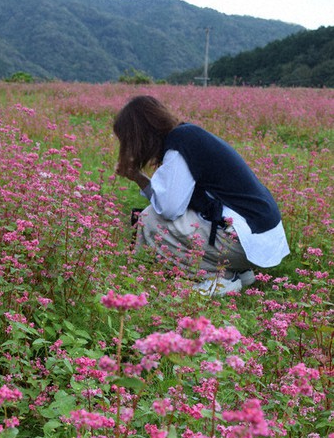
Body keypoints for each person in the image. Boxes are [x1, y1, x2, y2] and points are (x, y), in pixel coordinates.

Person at [113, 95, 290, 296]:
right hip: (259, 237)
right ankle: (239, 271)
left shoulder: (180, 144)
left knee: (149, 219)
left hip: (245, 241)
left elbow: (169, 209)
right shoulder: (188, 136)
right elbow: (175, 199)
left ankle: (219, 278)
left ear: (139, 136)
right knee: (175, 217)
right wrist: (138, 177)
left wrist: (137, 176)